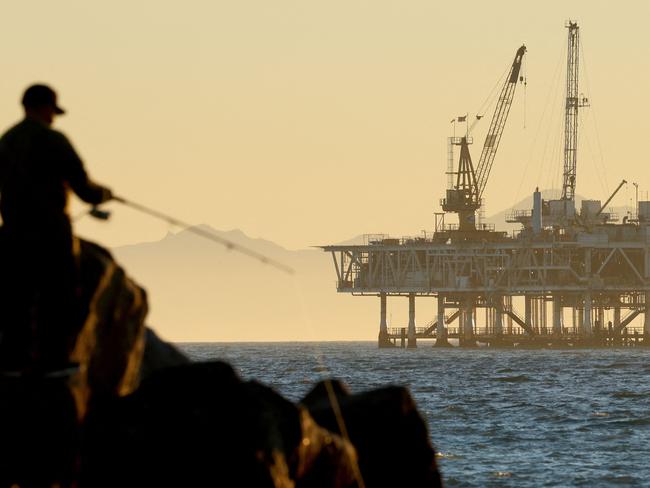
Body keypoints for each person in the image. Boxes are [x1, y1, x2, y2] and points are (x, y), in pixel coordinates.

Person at [0, 84, 113, 370]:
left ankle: (14, 361)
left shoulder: (7, 140)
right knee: (59, 297)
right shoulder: (54, 140)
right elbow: (83, 187)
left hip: (13, 233)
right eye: (52, 111)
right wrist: (104, 194)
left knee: (18, 300)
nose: (53, 118)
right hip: (52, 235)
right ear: (45, 107)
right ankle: (55, 361)